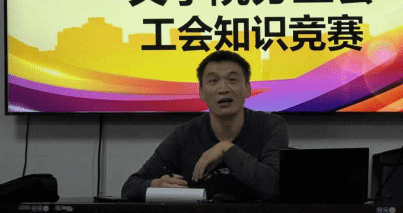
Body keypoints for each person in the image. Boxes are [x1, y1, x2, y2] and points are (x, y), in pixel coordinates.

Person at [121, 50, 289, 201]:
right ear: (201, 92)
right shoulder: (185, 135)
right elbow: (129, 187)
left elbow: (274, 187)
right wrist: (155, 185)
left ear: (247, 88)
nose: (223, 88)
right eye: (213, 81)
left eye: (232, 80)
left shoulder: (270, 126)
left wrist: (226, 149)